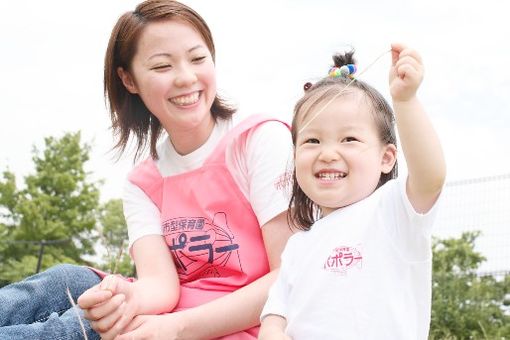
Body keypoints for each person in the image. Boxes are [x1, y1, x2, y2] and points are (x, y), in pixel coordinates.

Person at [0, 1, 294, 339]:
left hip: (236, 321)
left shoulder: (259, 141)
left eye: (198, 59)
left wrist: (176, 327)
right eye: (162, 66)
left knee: (78, 328)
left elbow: (289, 278)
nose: (186, 77)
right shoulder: (143, 182)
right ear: (128, 79)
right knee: (66, 281)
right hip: (168, 315)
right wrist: (124, 297)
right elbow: (160, 286)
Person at [258, 44, 446, 340]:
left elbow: (431, 177)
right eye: (312, 141)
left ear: (386, 158)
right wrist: (273, 332)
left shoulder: (394, 211)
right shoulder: (298, 246)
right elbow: (275, 315)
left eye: (349, 138)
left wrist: (406, 101)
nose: (328, 153)